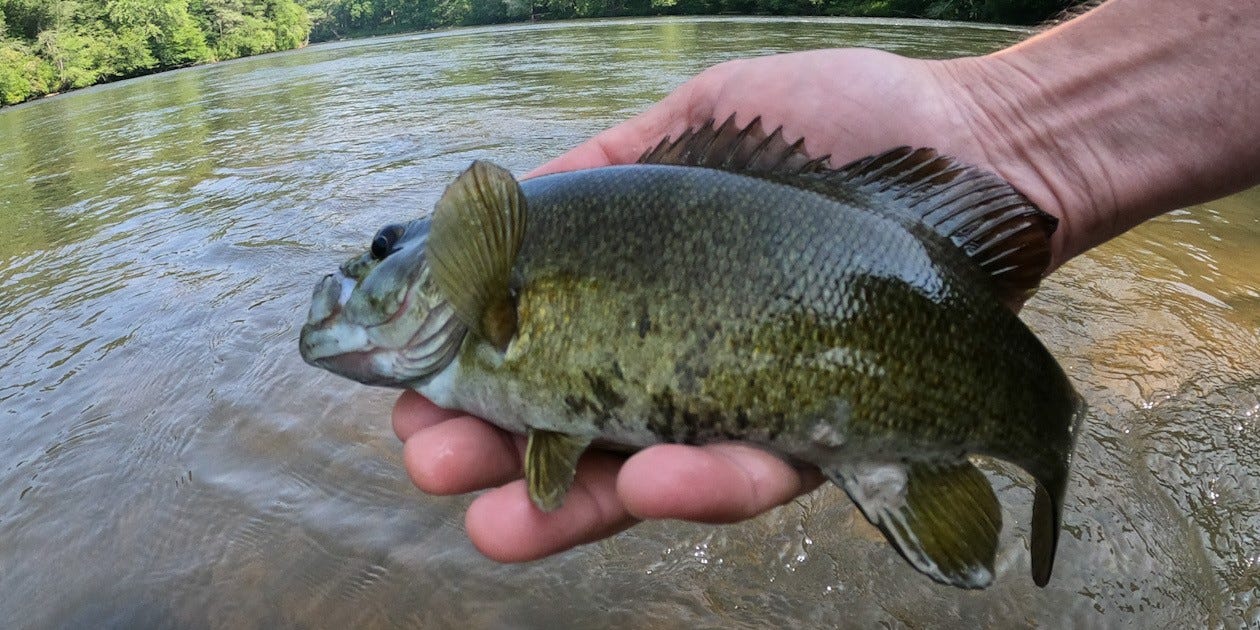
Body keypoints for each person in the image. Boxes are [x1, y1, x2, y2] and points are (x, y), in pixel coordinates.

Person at [391, 0, 1260, 563]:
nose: (371, 276)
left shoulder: (488, 278)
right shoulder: (501, 270)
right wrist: (1027, 132)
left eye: (379, 259)